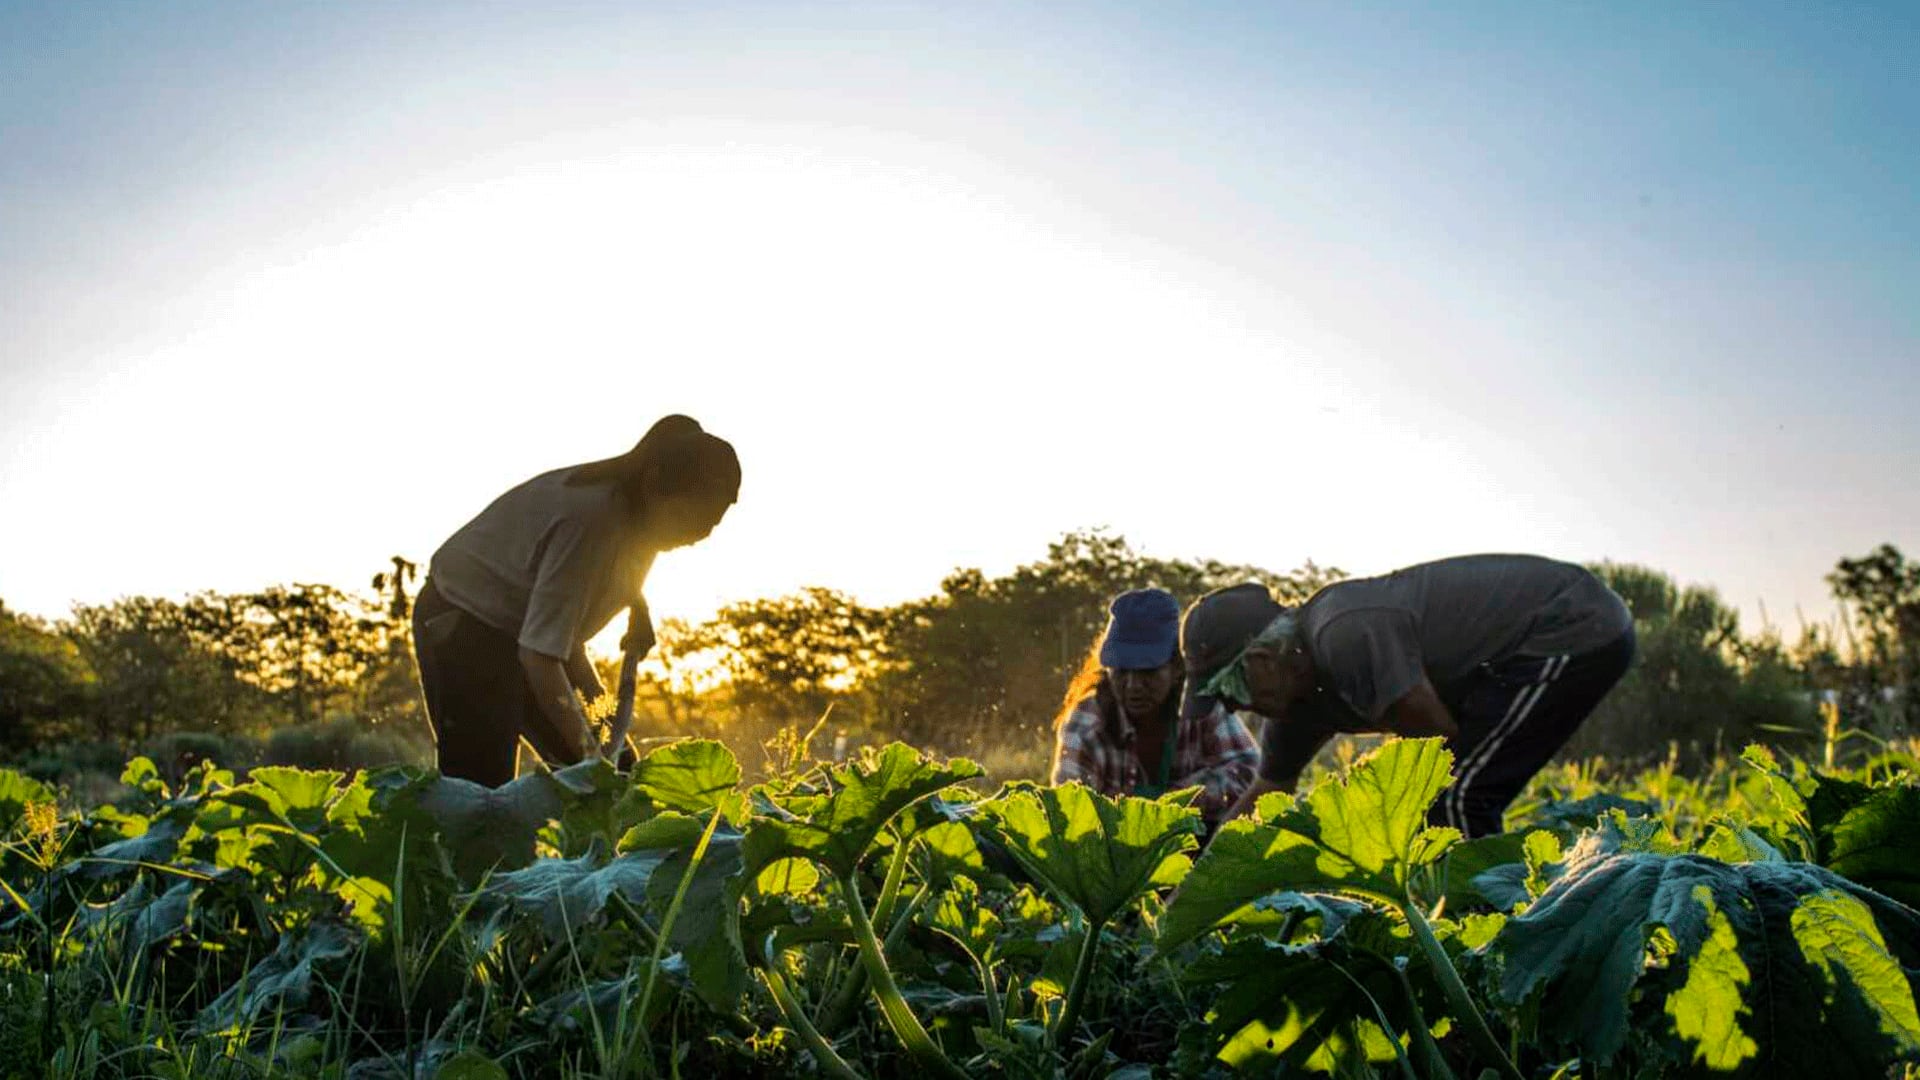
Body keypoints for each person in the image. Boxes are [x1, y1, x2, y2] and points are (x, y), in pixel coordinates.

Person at [1182, 554, 1635, 837]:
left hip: (1568, 623)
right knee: (1447, 798)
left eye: (1231, 691)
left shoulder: (1345, 636)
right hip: (1516, 654)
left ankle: (1495, 953)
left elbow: (1433, 744)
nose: (1236, 709)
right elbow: (1266, 791)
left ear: (1263, 656)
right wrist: (1192, 894)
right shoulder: (1291, 703)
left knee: (1455, 796)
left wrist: (1361, 822)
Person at [412, 415, 740, 786]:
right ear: (654, 486)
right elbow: (538, 657)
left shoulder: (645, 529)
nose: (700, 534)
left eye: (713, 523)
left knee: (622, 774)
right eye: (692, 517)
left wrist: (639, 609)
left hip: (539, 644)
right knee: (485, 790)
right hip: (466, 623)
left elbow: (584, 605)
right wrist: (588, 755)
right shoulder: (591, 518)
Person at [1052, 588, 1260, 823]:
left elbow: (1249, 769)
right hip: (1115, 850)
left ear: (1177, 668)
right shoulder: (1088, 721)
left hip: (1199, 843)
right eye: (1121, 672)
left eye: (1147, 672)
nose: (1133, 686)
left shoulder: (1201, 707)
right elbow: (1069, 807)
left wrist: (1180, 800)